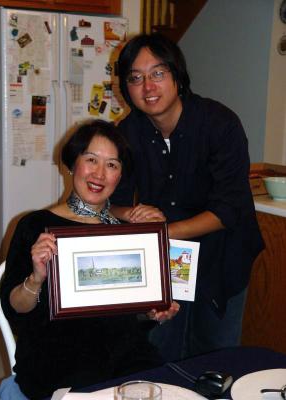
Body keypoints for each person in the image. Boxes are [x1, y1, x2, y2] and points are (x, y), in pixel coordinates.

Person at [110, 33, 265, 362]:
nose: (148, 87)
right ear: (126, 88)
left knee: (215, 358)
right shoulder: (128, 133)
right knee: (160, 351)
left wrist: (162, 233)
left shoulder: (219, 124)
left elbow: (228, 210)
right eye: (136, 78)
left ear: (177, 77)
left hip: (222, 255)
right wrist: (132, 214)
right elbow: (114, 201)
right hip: (168, 260)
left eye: (158, 73)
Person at [0, 119, 179, 400]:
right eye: (91, 159)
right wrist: (36, 278)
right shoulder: (35, 225)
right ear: (72, 164)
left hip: (124, 358)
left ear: (120, 176)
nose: (99, 174)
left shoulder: (126, 235)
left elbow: (127, 315)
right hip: (58, 361)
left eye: (112, 165)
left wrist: (152, 311)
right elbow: (15, 308)